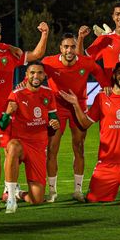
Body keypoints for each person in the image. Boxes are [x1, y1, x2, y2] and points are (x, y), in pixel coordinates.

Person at [0, 19, 49, 200]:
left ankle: (8, 189)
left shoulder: (9, 54)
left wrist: (44, 33)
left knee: (7, 150)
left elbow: (37, 54)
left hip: (5, 113)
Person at [59, 61, 120, 203]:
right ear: (114, 75)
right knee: (93, 200)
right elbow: (85, 123)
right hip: (107, 164)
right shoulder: (101, 98)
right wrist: (75, 104)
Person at [41, 33, 111, 203]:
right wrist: (24, 83)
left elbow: (99, 71)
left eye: (72, 46)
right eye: (66, 47)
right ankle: (52, 192)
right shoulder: (49, 62)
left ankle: (78, 191)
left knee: (79, 147)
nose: (69, 50)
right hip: (56, 108)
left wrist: (106, 85)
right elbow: (34, 72)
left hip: (78, 107)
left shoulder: (85, 62)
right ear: (60, 48)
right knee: (52, 149)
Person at [1, 61, 59, 213]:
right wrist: (7, 113)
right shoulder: (16, 94)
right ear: (26, 75)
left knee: (37, 199)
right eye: (32, 72)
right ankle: (11, 198)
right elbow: (2, 125)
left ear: (44, 75)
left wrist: (55, 123)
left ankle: (18, 193)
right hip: (21, 143)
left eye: (39, 73)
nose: (36, 76)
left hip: (38, 147)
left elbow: (54, 118)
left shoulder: (48, 94)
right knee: (13, 146)